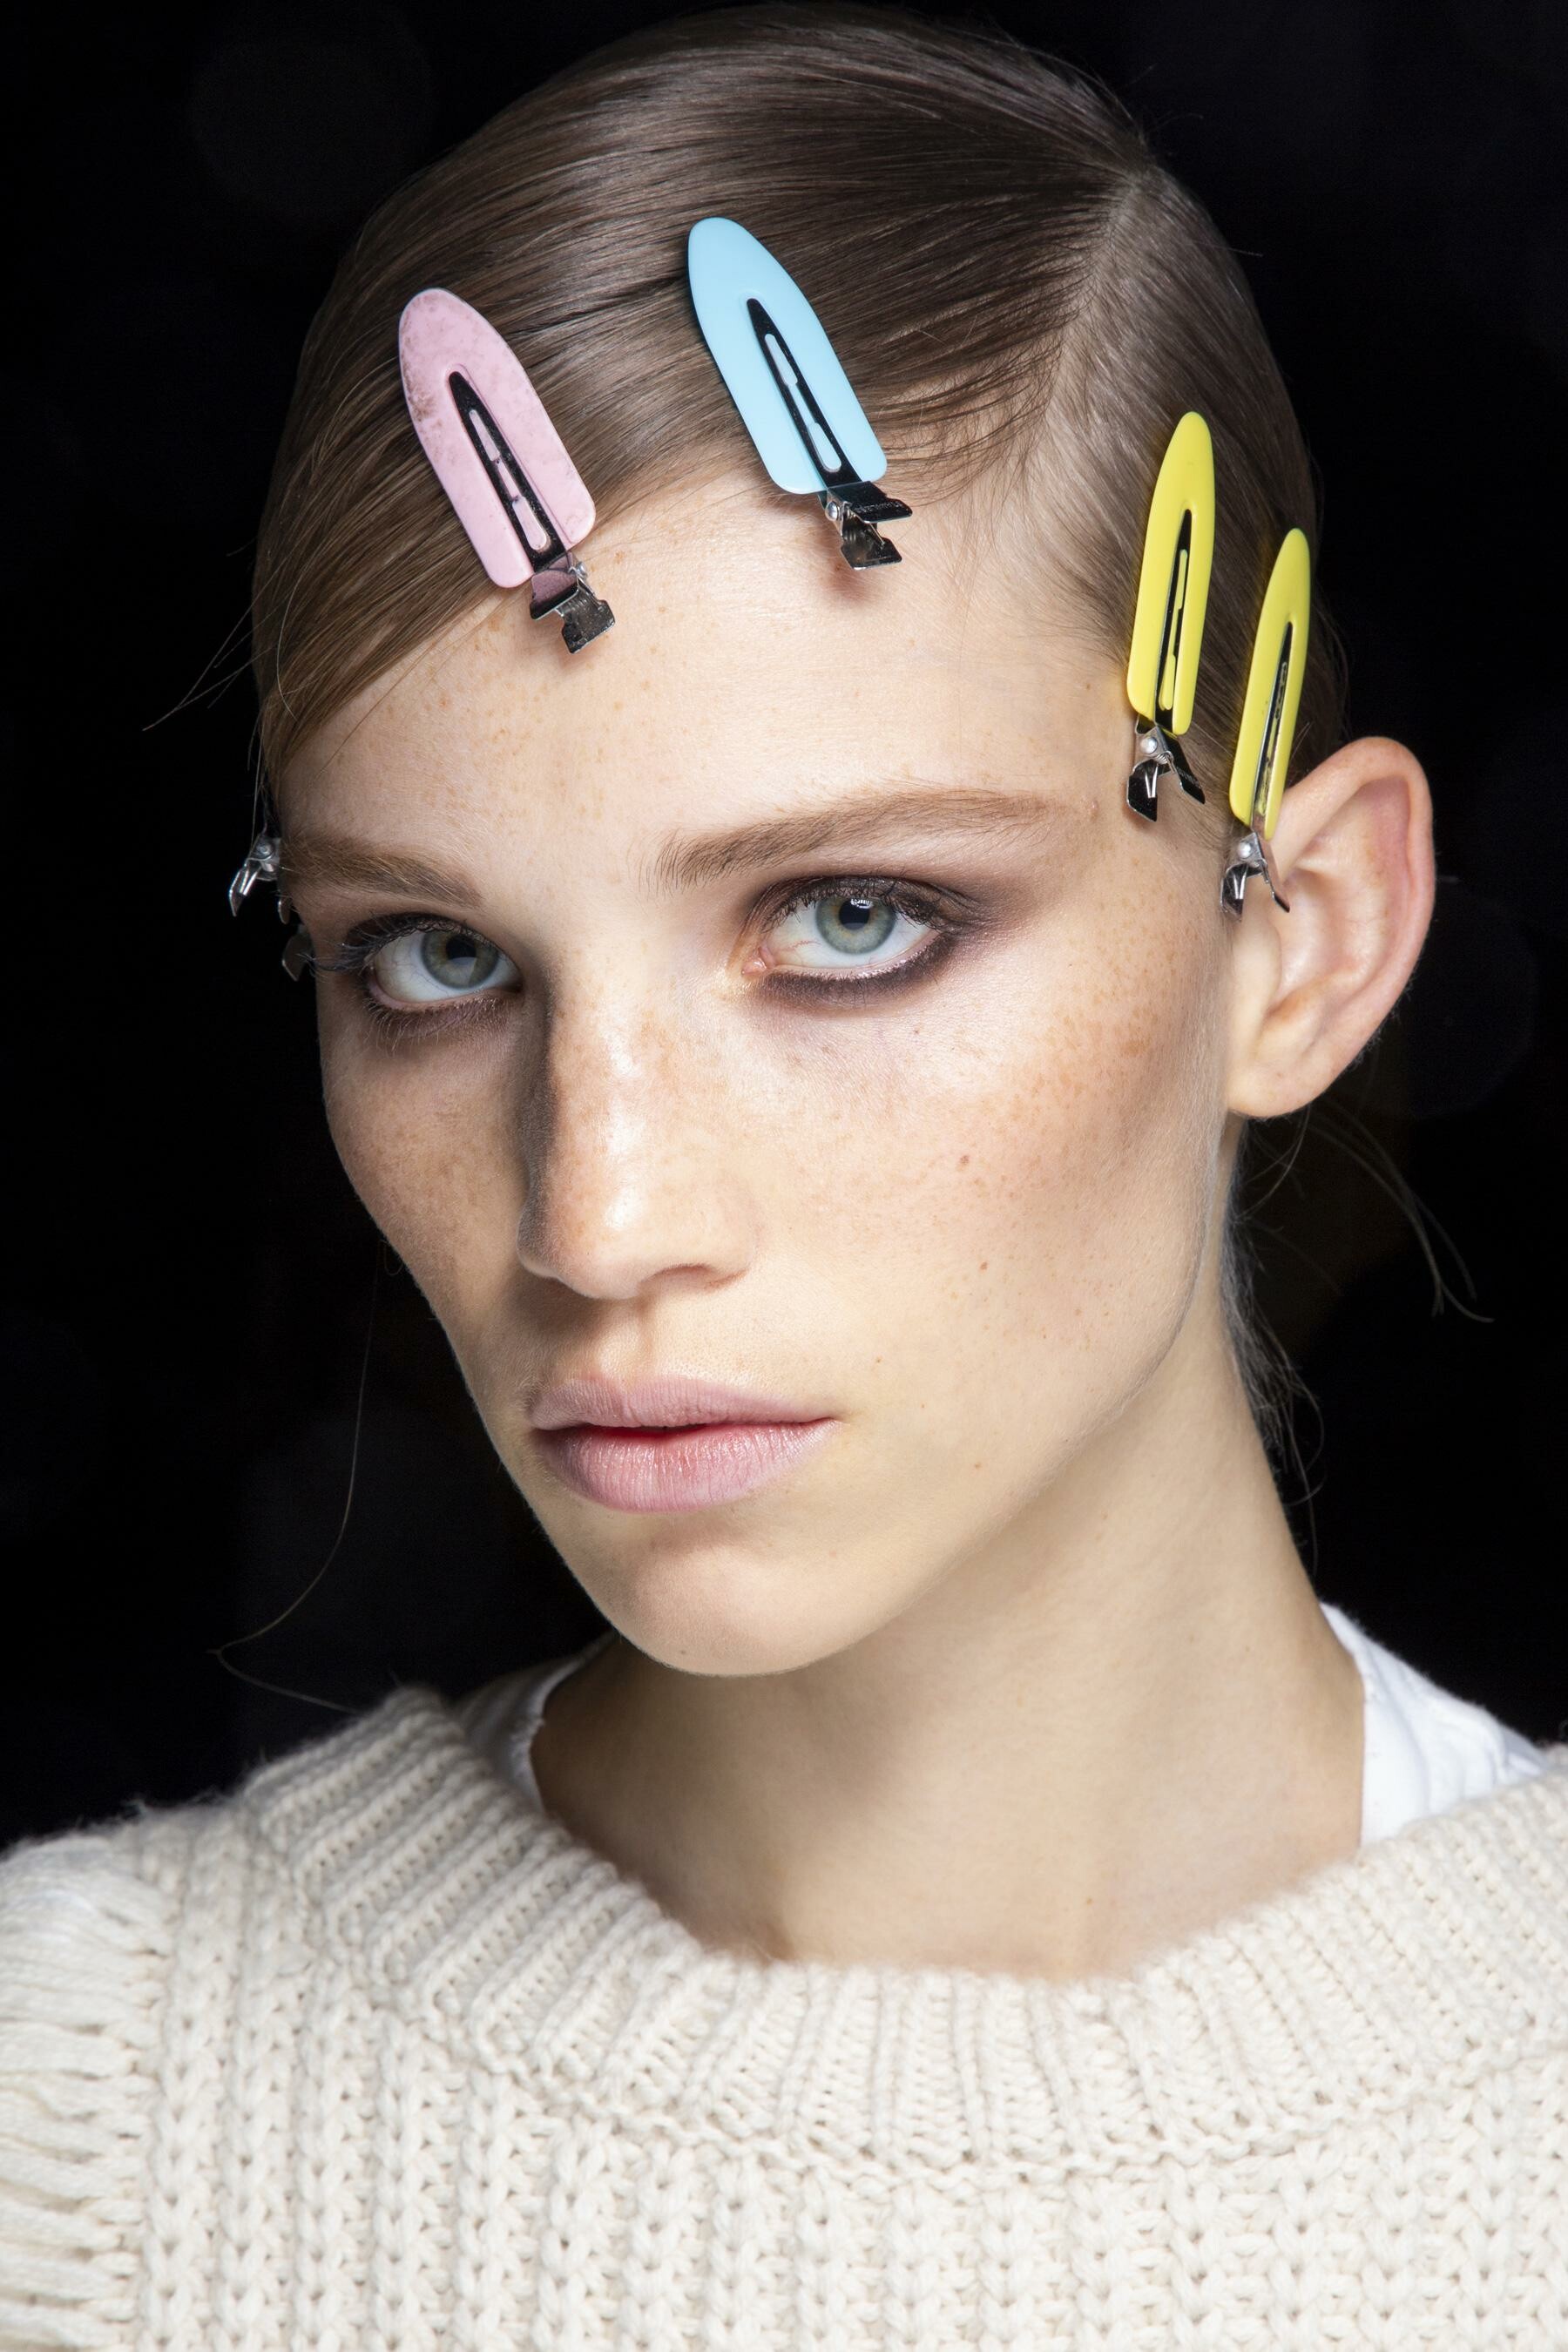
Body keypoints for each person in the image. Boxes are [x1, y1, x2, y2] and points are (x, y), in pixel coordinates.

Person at [3, 7, 1564, 2344]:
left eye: (852, 920)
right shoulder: (69, 2125)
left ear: (1305, 937)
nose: (599, 1218)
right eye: (435, 956)